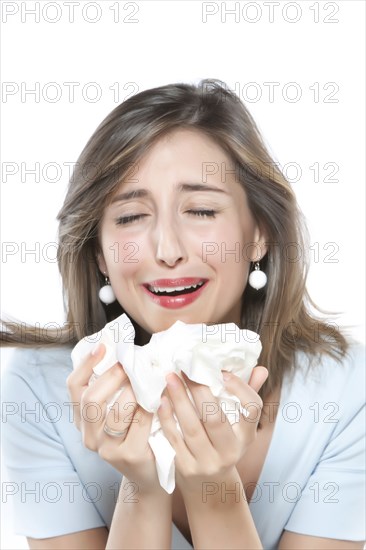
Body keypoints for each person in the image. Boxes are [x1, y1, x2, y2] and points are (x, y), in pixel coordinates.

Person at [1, 79, 364, 550]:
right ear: (99, 255)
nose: (167, 250)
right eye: (131, 216)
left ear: (260, 234)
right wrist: (143, 485)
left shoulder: (347, 392)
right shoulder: (40, 390)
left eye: (201, 210)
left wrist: (213, 489)